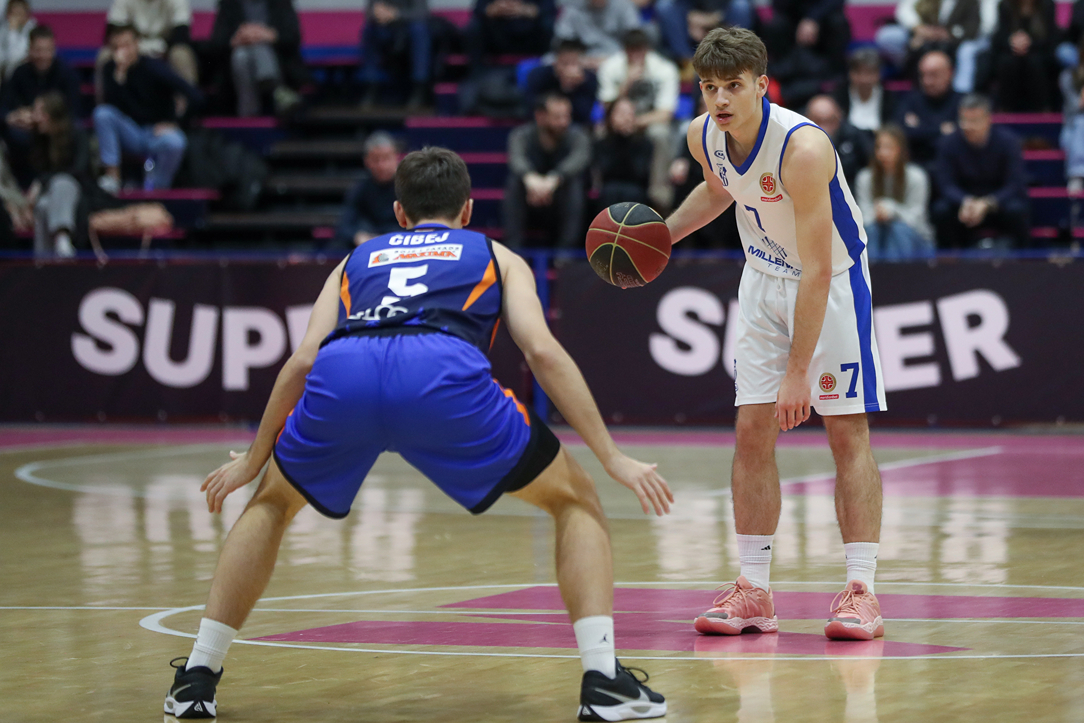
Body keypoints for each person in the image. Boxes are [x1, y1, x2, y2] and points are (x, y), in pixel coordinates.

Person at [161, 146, 671, 722]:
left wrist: (256, 458)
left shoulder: (355, 259)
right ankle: (602, 682)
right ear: (468, 209)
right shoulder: (495, 255)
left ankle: (197, 677)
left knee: (271, 503)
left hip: (345, 370)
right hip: (440, 371)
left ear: (399, 213)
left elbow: (302, 361)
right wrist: (611, 455)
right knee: (575, 500)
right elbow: (543, 353)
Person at [664, 27, 887, 642]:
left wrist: (797, 373)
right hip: (762, 278)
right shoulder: (702, 135)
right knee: (751, 430)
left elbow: (816, 268)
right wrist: (661, 238)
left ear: (762, 85)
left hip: (831, 283)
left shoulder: (803, 148)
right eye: (709, 87)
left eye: (733, 86)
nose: (720, 99)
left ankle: (862, 592)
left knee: (846, 432)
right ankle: (754, 589)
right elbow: (719, 191)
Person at [93, 25, 203, 192]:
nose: (122, 52)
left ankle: (158, 188)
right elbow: (110, 107)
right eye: (116, 47)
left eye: (126, 45)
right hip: (129, 131)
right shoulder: (110, 69)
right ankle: (112, 178)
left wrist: (177, 123)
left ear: (137, 44)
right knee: (102, 114)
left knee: (176, 142)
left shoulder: (154, 68)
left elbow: (194, 95)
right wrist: (119, 78)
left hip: (155, 132)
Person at [597, 28, 681, 211]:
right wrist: (626, 84)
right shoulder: (611, 67)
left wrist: (633, 122)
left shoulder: (664, 69)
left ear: (647, 49)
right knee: (599, 133)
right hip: (616, 116)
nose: (636, 56)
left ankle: (659, 193)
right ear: (624, 50)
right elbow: (606, 107)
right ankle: (596, 188)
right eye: (631, 51)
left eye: (640, 51)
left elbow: (665, 113)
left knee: (659, 134)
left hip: (649, 121)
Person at [932, 92, 1029, 249]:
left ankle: (1023, 259)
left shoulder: (1008, 142)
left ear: (988, 119)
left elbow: (1014, 184)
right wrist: (966, 201)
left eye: (974, 121)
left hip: (998, 204)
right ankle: (947, 259)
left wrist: (986, 203)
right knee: (940, 210)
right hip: (964, 205)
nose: (967, 126)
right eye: (963, 120)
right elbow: (946, 184)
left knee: (1017, 210)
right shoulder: (947, 143)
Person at [503, 92, 591, 248]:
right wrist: (530, 178)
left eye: (567, 116)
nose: (564, 122)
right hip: (530, 198)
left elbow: (580, 158)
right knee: (514, 183)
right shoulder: (520, 135)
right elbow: (516, 158)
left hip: (560, 199)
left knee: (574, 185)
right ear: (540, 116)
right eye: (558, 117)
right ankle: (513, 250)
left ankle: (565, 253)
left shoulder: (578, 135)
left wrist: (554, 179)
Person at [0, 24, 79, 187]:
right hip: (24, 131)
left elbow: (73, 110)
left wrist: (46, 119)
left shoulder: (66, 73)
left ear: (54, 49)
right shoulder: (19, 73)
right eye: (38, 50)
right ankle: (21, 185)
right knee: (15, 136)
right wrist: (12, 117)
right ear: (29, 50)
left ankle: (51, 181)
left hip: (57, 129)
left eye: (47, 50)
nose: (42, 55)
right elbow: (5, 106)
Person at [209, 0, 306, 117]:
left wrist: (270, 35)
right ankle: (276, 90)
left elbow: (293, 37)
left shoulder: (281, 3)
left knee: (252, 51)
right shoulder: (228, 4)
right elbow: (216, 43)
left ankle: (248, 111)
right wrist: (235, 40)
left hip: (279, 61)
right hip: (232, 69)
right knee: (242, 54)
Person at [876, 0, 996, 93]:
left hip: (956, 39)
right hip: (924, 33)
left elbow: (981, 27)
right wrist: (918, 29)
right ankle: (911, 69)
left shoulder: (972, 3)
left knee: (967, 50)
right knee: (891, 37)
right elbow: (905, 11)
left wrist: (947, 34)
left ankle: (960, 93)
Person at [854, 125, 934, 259]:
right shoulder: (865, 177)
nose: (883, 153)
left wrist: (892, 210)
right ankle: (871, 271)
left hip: (915, 240)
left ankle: (896, 271)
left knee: (898, 229)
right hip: (876, 234)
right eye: (879, 147)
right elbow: (861, 219)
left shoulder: (917, 176)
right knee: (872, 230)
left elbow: (916, 220)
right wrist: (877, 214)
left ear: (900, 150)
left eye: (889, 147)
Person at [26, 91, 88, 257]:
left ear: (51, 115)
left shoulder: (77, 134)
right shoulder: (39, 139)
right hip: (50, 195)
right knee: (42, 206)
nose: (35, 117)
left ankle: (62, 239)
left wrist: (41, 182)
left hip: (79, 191)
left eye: (39, 113)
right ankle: (44, 260)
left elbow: (79, 170)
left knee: (62, 182)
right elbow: (39, 170)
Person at [761, 0, 851, 109]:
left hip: (823, 19)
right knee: (776, 24)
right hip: (791, 19)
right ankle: (779, 79)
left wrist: (812, 18)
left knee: (837, 22)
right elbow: (779, 5)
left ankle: (833, 81)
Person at [98, 0, 198, 96]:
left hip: (166, 47)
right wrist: (135, 47)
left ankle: (187, 102)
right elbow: (113, 33)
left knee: (181, 53)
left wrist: (155, 47)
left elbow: (181, 36)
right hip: (131, 46)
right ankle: (105, 103)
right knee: (105, 54)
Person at [359, 0, 432, 108]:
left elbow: (422, 12)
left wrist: (396, 15)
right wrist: (379, 15)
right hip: (386, 29)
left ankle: (419, 87)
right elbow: (370, 11)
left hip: (408, 30)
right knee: (369, 30)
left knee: (419, 30)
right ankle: (371, 85)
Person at [894, 49, 960, 168]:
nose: (927, 81)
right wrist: (941, 130)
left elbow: (958, 139)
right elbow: (902, 133)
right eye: (923, 75)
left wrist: (921, 128)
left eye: (933, 75)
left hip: (953, 167)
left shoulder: (962, 102)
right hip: (915, 166)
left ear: (950, 73)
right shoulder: (910, 100)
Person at [334, 131, 401, 248]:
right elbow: (344, 226)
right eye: (376, 159)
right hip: (367, 244)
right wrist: (357, 236)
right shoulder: (360, 189)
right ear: (367, 161)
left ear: (396, 158)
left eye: (386, 158)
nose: (382, 165)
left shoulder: (408, 188)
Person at [989, 0, 1058, 112]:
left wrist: (1030, 43)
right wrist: (1011, 41)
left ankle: (1042, 108)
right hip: (1011, 51)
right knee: (1007, 62)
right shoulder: (1005, 5)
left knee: (1035, 62)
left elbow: (1052, 38)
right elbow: (999, 37)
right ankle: (1006, 109)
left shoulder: (1047, 5)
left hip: (1040, 50)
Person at [594, 97, 654, 208]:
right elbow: (606, 172)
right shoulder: (602, 143)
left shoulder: (644, 143)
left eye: (629, 114)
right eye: (621, 113)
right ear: (610, 117)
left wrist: (627, 138)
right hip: (609, 189)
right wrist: (619, 138)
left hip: (635, 190)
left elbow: (639, 173)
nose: (626, 118)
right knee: (608, 192)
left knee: (634, 193)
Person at [654, 0, 754, 66]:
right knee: (665, 7)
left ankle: (734, 58)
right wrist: (690, 16)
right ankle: (687, 61)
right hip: (689, 10)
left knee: (741, 6)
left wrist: (710, 19)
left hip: (721, 10)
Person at [525, 38, 599, 126]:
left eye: (574, 64)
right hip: (543, 125)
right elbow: (532, 109)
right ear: (555, 62)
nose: (569, 69)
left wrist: (570, 88)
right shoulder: (539, 76)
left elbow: (584, 116)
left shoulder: (589, 80)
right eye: (565, 63)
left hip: (576, 127)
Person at [464, 0, 555, 71]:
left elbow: (550, 10)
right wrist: (493, 9)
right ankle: (476, 74)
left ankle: (546, 69)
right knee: (475, 27)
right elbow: (478, 10)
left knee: (547, 25)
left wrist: (525, 10)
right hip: (497, 37)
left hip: (530, 37)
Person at [804, 94, 872, 189]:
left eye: (830, 121)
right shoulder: (797, 139)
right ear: (807, 119)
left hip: (850, 191)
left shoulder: (854, 136)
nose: (824, 127)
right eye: (817, 121)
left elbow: (868, 164)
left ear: (839, 117)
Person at [552, 0, 642, 70]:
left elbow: (635, 39)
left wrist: (611, 60)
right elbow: (562, 42)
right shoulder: (572, 7)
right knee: (552, 63)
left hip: (618, 60)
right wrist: (581, 60)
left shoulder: (624, 5)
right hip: (581, 61)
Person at [830, 48, 896, 138]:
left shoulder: (889, 97)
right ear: (850, 73)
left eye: (870, 73)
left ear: (879, 74)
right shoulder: (839, 95)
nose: (864, 79)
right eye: (858, 72)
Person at [0, 0, 35, 80]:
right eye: (13, 14)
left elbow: (13, 56)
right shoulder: (4, 29)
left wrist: (12, 31)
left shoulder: (32, 30)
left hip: (25, 74)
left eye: (19, 13)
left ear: (26, 14)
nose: (15, 18)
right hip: (5, 73)